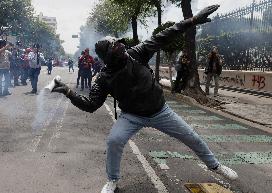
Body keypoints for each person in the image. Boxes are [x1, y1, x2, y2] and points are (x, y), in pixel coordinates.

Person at [52, 5, 238, 193]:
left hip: (160, 111)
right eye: (117, 48)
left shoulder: (137, 53)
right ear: (109, 57)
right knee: (114, 141)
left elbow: (164, 35)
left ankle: (215, 166)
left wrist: (192, 21)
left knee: (191, 136)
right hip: (131, 116)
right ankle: (112, 180)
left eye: (121, 44)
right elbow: (91, 105)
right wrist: (68, 92)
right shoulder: (103, 78)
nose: (123, 48)